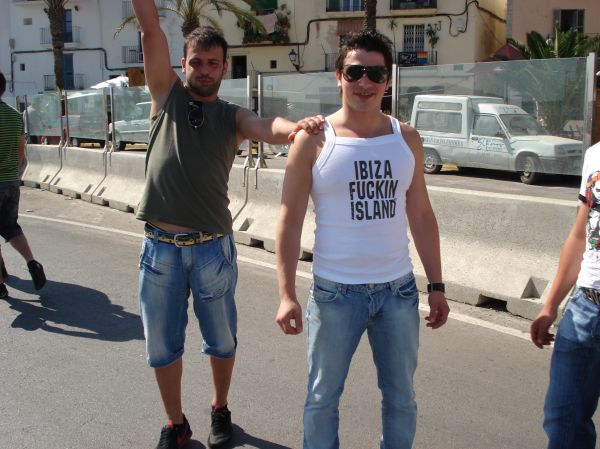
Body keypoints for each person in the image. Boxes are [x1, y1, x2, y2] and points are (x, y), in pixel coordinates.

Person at [130, 2, 324, 449]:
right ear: (184, 64)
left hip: (212, 250)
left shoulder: (231, 116)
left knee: (220, 340)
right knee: (161, 347)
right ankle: (175, 423)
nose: (204, 70)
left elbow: (265, 125)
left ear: (223, 69)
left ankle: (220, 408)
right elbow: (150, 31)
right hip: (159, 250)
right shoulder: (165, 95)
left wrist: (296, 128)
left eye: (212, 63)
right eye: (196, 62)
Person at [275, 30, 450, 449]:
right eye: (355, 72)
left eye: (375, 73)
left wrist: (437, 285)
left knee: (401, 399)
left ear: (388, 80)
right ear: (339, 77)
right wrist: (286, 294)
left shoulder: (406, 139)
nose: (365, 82)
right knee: (321, 399)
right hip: (335, 294)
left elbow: (421, 215)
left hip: (398, 294)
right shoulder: (313, 139)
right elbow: (289, 219)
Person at [531, 140, 600, 449]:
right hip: (585, 308)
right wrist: (550, 305)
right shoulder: (595, 155)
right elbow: (580, 236)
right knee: (563, 420)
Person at [0, 72, 46, 299]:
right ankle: (31, 262)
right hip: (10, 181)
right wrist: (11, 172)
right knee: (11, 227)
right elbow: (21, 151)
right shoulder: (14, 115)